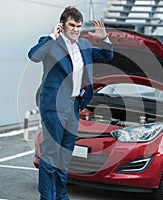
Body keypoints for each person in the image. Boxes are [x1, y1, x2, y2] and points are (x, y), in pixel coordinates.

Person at [28, 6, 113, 200]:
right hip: (53, 107)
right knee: (51, 153)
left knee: (65, 154)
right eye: (72, 25)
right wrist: (52, 36)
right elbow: (33, 56)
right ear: (62, 25)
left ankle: (61, 196)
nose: (75, 29)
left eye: (78, 26)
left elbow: (107, 56)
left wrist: (103, 38)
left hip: (73, 107)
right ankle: (47, 197)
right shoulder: (50, 43)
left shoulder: (84, 45)